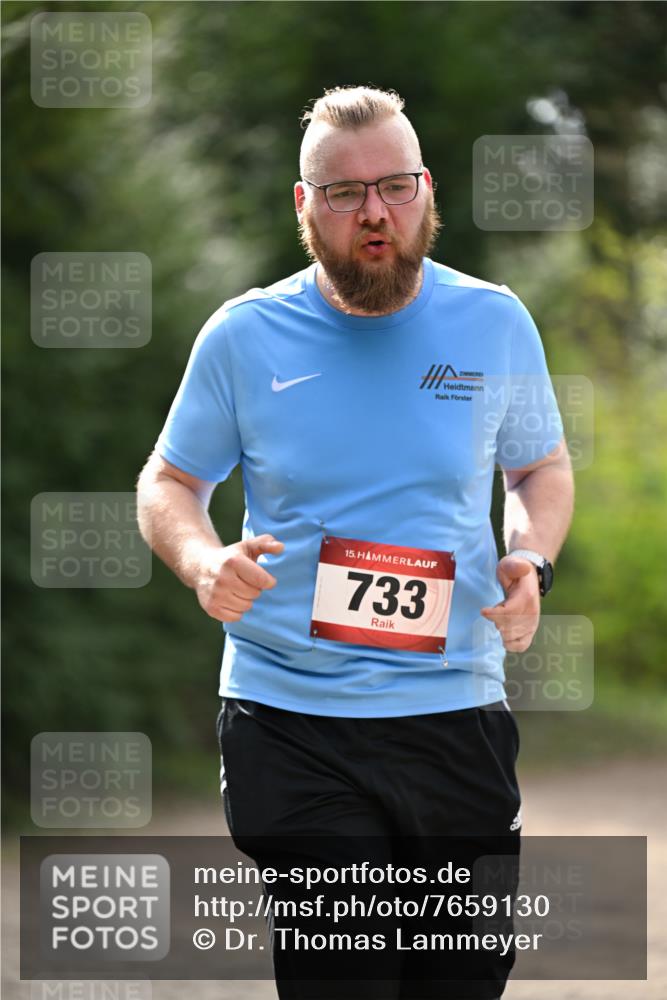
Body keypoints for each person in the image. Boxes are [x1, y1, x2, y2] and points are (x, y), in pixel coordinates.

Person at [137, 86, 574, 1000]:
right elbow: (169, 483)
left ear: (426, 186)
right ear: (305, 206)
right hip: (289, 717)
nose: (375, 212)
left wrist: (528, 559)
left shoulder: (493, 322)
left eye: (395, 185)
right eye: (344, 193)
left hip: (452, 710)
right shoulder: (244, 336)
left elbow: (537, 469)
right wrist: (202, 560)